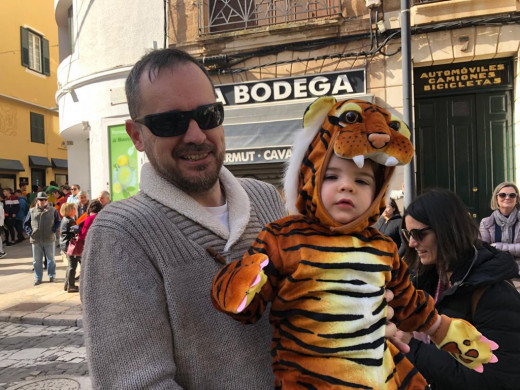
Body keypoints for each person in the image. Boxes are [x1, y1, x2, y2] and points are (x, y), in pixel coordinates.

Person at [82, 48, 403, 390]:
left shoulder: (266, 197)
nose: (195, 135)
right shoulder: (122, 234)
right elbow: (136, 383)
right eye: (170, 122)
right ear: (136, 135)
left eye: (207, 115)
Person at [212, 97, 496, 389]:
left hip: (379, 375)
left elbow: (408, 301)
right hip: (310, 379)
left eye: (362, 181)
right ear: (310, 177)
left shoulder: (382, 247)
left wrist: (442, 330)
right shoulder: (283, 237)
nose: (347, 185)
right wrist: (241, 283)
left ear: (378, 193)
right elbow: (247, 309)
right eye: (332, 176)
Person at [394, 188, 520, 389]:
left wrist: (411, 347)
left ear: (447, 230)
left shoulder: (493, 294)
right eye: (407, 233)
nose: (411, 243)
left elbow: (495, 379)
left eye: (419, 234)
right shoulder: (426, 278)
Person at [479, 182, 520, 283]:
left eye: (512, 195)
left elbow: (491, 247)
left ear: (516, 199)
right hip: (496, 272)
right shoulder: (486, 222)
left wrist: (498, 246)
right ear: (496, 198)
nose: (507, 197)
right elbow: (484, 249)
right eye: (502, 195)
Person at [24, 192, 61, 285]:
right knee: (36, 260)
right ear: (37, 200)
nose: (43, 201)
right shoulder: (31, 211)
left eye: (45, 199)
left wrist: (53, 230)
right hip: (36, 239)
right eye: (41, 199)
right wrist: (30, 233)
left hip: (49, 238)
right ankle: (38, 278)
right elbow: (26, 224)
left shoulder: (53, 210)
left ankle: (52, 275)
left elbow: (58, 221)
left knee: (51, 259)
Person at [60, 203, 80, 293]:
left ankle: (67, 284)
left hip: (64, 244)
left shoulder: (65, 219)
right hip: (69, 245)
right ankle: (71, 286)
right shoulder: (70, 221)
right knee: (73, 266)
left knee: (70, 265)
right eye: (74, 209)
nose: (75, 210)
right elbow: (76, 230)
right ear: (70, 210)